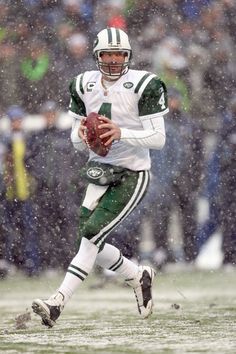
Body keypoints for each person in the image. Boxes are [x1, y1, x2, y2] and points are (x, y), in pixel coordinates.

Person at [32, 27, 169, 327]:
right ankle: (138, 276)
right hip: (100, 170)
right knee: (90, 239)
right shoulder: (83, 84)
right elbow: (75, 139)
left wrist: (122, 133)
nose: (113, 59)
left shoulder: (144, 84)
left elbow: (159, 139)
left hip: (133, 172)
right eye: (107, 53)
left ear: (128, 55)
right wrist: (81, 134)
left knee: (91, 235)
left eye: (119, 53)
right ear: (97, 55)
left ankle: (57, 303)